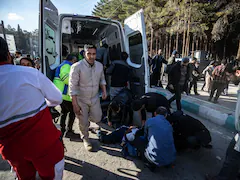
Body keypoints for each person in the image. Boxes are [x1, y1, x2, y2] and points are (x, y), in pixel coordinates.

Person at [0, 37, 64, 180]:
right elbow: (56, 98)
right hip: (45, 147)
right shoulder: (29, 73)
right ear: (8, 55)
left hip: (13, 152)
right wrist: (39, 103)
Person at [69, 44, 107, 151]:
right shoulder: (77, 67)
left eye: (94, 54)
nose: (91, 56)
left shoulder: (99, 66)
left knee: (97, 118)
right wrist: (75, 104)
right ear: (84, 54)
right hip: (81, 99)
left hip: (94, 98)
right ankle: (85, 139)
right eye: (89, 54)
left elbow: (102, 79)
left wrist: (104, 91)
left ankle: (86, 119)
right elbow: (72, 87)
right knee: (83, 122)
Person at [133, 106, 176, 171]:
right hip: (171, 158)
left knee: (139, 141)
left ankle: (149, 162)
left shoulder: (150, 121)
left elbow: (145, 136)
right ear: (166, 115)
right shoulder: (169, 125)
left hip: (154, 158)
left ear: (155, 113)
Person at [53, 54, 79, 139]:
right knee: (72, 112)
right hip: (65, 95)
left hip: (61, 94)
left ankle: (63, 130)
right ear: (73, 59)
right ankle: (68, 131)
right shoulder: (67, 65)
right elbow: (66, 78)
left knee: (64, 112)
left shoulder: (63, 64)